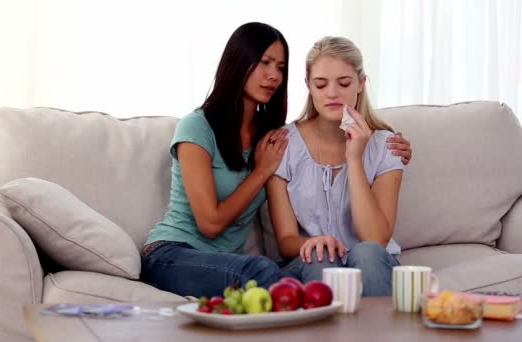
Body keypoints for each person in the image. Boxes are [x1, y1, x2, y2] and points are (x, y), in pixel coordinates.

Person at [141, 24, 412, 298]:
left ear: (360, 84)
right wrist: (261, 171)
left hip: (231, 261)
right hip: (174, 252)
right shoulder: (201, 128)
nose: (273, 76)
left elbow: (375, 239)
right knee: (273, 270)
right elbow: (210, 223)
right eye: (265, 63)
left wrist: (365, 156)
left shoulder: (269, 136)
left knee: (333, 260)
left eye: (281, 67)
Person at [267, 36, 404, 296]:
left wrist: (354, 158)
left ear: (361, 84)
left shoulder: (386, 145)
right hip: (310, 262)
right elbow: (285, 241)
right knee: (321, 255)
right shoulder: (284, 144)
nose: (332, 93)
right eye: (320, 84)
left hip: (371, 262)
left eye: (344, 83)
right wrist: (316, 242)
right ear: (308, 85)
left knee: (367, 253)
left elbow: (375, 238)